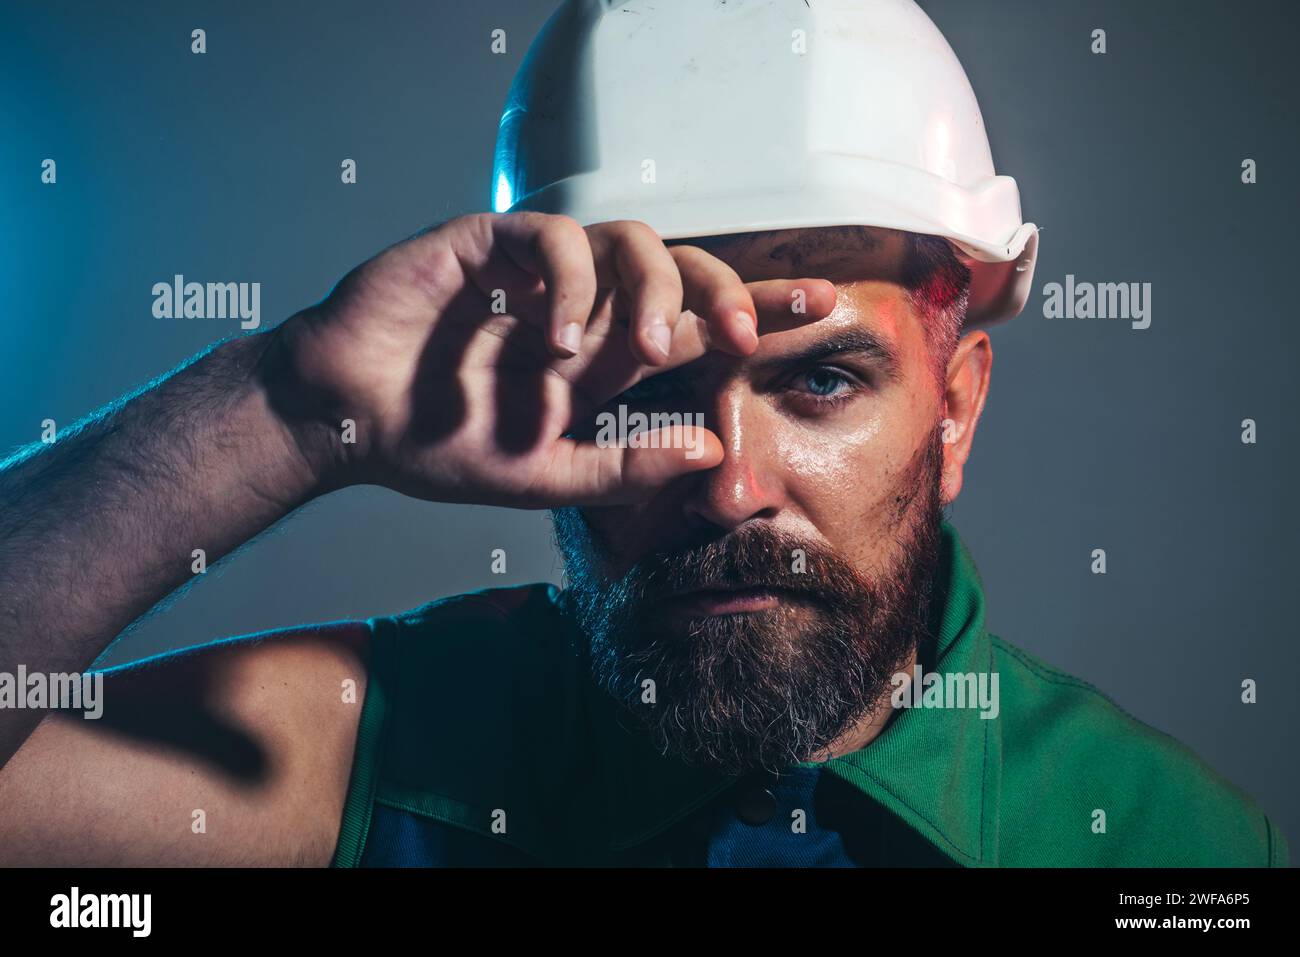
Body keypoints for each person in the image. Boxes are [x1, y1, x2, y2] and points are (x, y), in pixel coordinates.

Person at [0, 0, 1285, 867]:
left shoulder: (1177, 848)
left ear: (953, 411)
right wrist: (283, 411)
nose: (728, 487)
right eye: (642, 393)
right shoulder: (375, 745)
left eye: (820, 384)